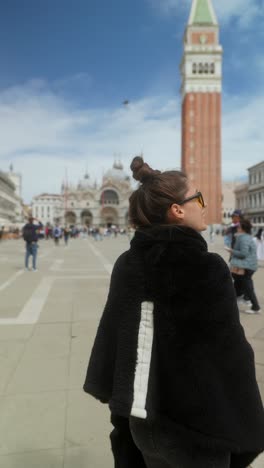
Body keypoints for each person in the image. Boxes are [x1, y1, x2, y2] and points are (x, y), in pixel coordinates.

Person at [83, 157, 264, 468]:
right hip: (194, 429)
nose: (205, 205)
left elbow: (114, 334)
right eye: (199, 198)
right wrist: (248, 423)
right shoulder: (206, 267)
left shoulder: (127, 262)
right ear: (178, 210)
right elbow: (230, 355)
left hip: (141, 421)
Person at [228, 220, 261, 314]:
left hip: (245, 266)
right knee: (238, 284)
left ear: (242, 229)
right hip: (248, 265)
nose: (237, 228)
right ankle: (236, 300)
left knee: (247, 286)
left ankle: (255, 307)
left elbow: (243, 253)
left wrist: (231, 251)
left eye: (238, 227)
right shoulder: (247, 237)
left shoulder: (243, 238)